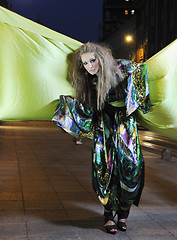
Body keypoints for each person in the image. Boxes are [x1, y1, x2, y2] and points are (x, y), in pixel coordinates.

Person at [52, 42, 149, 234]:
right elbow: (87, 106)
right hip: (104, 128)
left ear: (101, 58)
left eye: (92, 61)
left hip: (125, 126)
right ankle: (108, 215)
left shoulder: (122, 67)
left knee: (131, 167)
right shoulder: (88, 80)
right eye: (85, 63)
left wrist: (133, 99)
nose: (90, 66)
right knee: (105, 171)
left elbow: (142, 69)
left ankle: (123, 213)